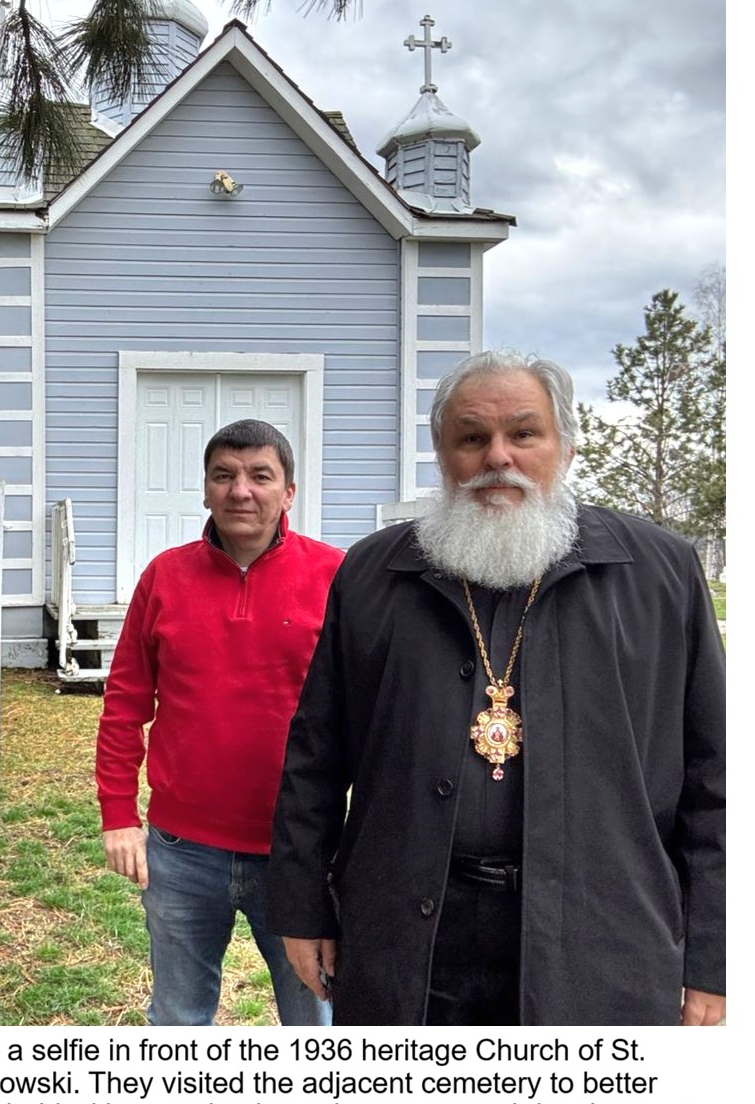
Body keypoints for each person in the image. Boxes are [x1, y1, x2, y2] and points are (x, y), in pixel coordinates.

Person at [266, 349, 725, 1026]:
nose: (497, 456)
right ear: (442, 452)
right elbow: (316, 754)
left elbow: (715, 778)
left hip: (602, 941)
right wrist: (303, 906)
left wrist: (714, 956)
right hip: (411, 933)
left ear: (565, 447)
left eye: (523, 433)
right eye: (472, 437)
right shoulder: (373, 573)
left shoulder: (658, 572)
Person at [96, 419, 344, 1025]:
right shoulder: (164, 577)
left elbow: (372, 711)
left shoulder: (336, 577)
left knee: (316, 1017)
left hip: (299, 851)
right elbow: (126, 701)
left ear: (288, 492)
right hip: (182, 853)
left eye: (261, 476)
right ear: (205, 490)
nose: (241, 491)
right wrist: (119, 816)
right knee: (178, 1019)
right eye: (224, 476)